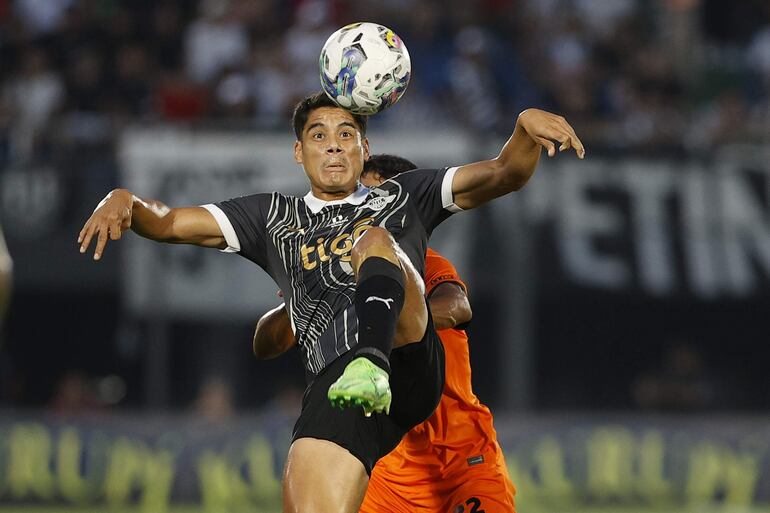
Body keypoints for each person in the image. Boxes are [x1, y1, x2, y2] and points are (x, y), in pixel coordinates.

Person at [78, 91, 583, 512]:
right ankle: (362, 370)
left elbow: (501, 174)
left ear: (365, 147)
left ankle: (372, 359)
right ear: (299, 152)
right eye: (319, 136)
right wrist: (128, 201)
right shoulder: (272, 218)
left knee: (374, 240)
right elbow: (170, 222)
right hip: (338, 387)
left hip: (406, 365)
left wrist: (523, 130)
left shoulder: (402, 197)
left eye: (347, 135)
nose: (334, 147)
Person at [254, 154, 517, 512]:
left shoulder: (421, 263)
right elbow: (265, 343)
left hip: (459, 460)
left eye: (370, 196)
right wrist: (301, 298)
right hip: (387, 475)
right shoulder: (331, 276)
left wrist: (386, 318)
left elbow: (458, 306)